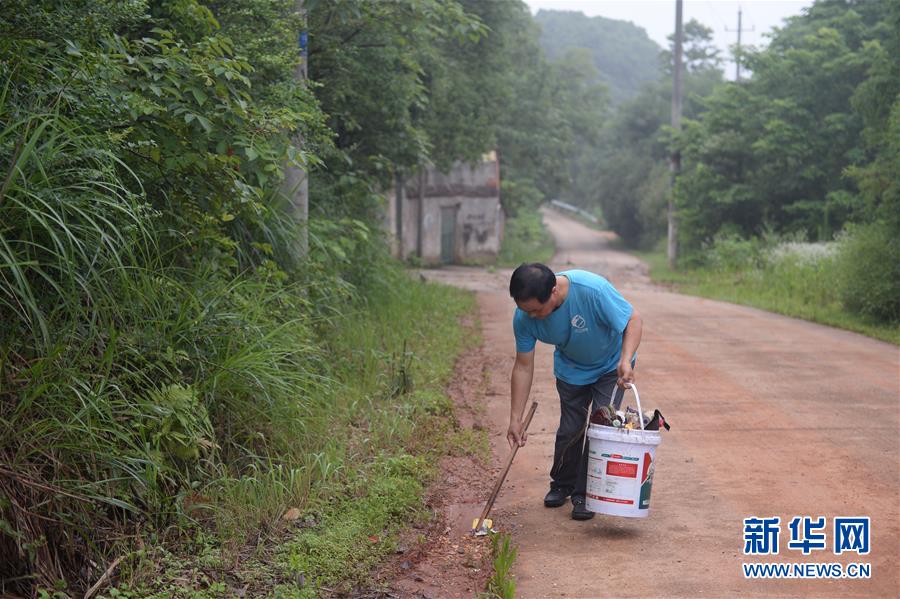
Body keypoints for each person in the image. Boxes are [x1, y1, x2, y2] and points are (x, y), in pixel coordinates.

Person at [507, 263, 642, 520]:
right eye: (525, 310)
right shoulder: (523, 317)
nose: (531, 316)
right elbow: (523, 366)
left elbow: (633, 319)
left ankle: (587, 494)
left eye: (536, 310)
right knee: (570, 428)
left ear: (554, 291)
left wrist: (626, 359)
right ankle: (562, 484)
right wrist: (515, 418)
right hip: (571, 369)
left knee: (601, 427)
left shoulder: (592, 290)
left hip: (610, 366)